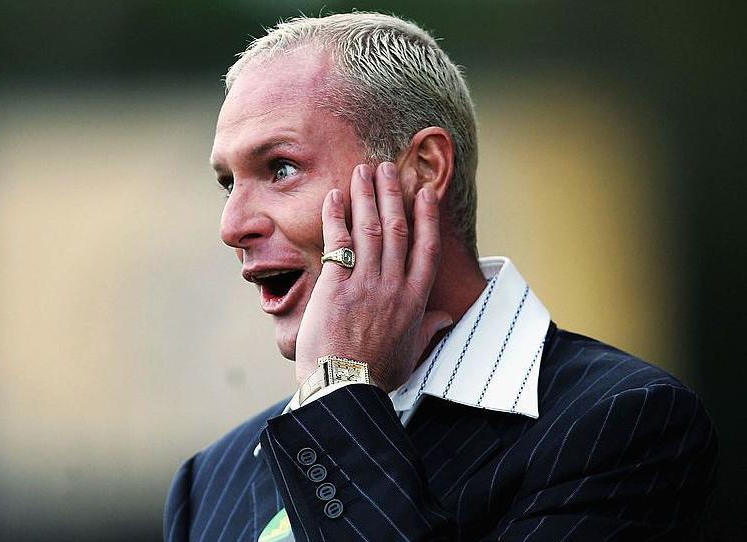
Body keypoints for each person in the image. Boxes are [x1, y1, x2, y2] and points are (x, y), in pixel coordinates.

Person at [164, 12, 716, 541]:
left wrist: (338, 393)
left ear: (423, 170)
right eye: (227, 184)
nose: (232, 226)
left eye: (280, 169)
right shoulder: (211, 482)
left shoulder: (623, 424)